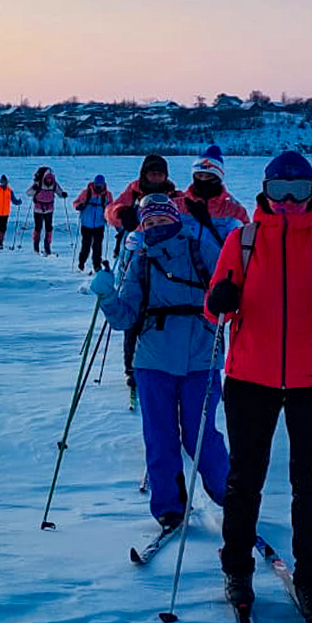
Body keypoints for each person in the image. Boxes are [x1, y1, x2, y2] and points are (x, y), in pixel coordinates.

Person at [203, 151, 312, 623]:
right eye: (279, 191)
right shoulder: (243, 241)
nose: (290, 201)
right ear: (265, 192)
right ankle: (237, 570)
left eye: (299, 190)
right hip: (249, 377)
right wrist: (219, 301)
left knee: (311, 487)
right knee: (244, 480)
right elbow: (214, 313)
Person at [93, 193, 228, 527]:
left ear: (175, 218)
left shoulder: (200, 246)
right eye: (149, 222)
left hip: (201, 355)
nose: (155, 227)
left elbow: (227, 289)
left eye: (161, 220)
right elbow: (125, 319)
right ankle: (168, 506)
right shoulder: (138, 258)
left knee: (200, 434)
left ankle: (231, 495)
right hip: (152, 359)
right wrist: (107, 295)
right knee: (159, 434)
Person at [110, 155, 180, 399]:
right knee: (134, 314)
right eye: (152, 173)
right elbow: (111, 212)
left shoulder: (175, 195)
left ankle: (165, 362)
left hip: (165, 261)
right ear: (144, 174)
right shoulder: (133, 191)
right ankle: (131, 367)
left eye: (160, 173)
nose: (156, 177)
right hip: (134, 254)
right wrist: (122, 215)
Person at [175, 145, 250, 241]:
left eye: (209, 176)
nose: (203, 180)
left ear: (219, 178)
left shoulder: (235, 210)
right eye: (199, 175)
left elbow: (245, 243)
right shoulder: (178, 205)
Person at [73, 174, 111, 272]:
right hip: (86, 224)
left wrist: (109, 216)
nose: (98, 187)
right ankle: (81, 263)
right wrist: (79, 206)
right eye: (97, 184)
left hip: (99, 224)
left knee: (97, 246)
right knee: (86, 245)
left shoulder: (107, 195)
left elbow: (111, 207)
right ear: (94, 184)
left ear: (104, 184)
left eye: (100, 185)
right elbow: (76, 203)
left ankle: (97, 266)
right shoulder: (86, 193)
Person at [29, 167, 68, 256]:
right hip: (38, 209)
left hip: (49, 210)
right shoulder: (38, 183)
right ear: (44, 178)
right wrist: (34, 189)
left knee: (49, 228)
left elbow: (59, 192)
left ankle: (47, 247)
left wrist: (63, 194)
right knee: (38, 228)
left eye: (50, 179)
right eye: (48, 179)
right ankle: (36, 247)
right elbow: (28, 193)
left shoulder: (54, 184)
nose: (49, 181)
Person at [0, 174, 16, 248]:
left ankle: (1, 241)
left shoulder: (9, 190)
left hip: (5, 212)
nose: (4, 183)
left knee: (4, 227)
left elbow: (13, 200)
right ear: (0, 182)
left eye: (5, 181)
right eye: (2, 181)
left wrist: (18, 202)